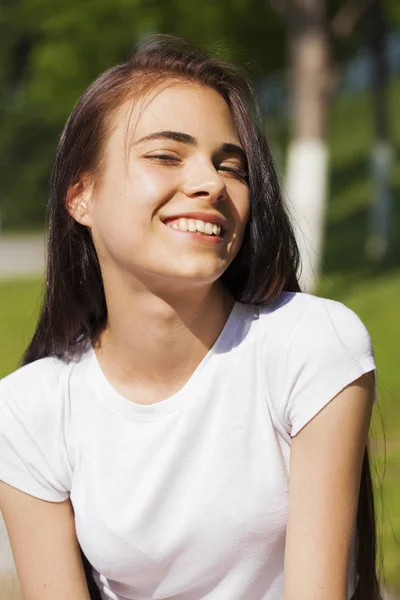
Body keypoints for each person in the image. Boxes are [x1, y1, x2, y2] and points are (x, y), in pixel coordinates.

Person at [0, 35, 381, 600]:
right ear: (81, 196)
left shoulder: (308, 346)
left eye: (231, 166)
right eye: (165, 155)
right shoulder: (29, 411)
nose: (211, 184)